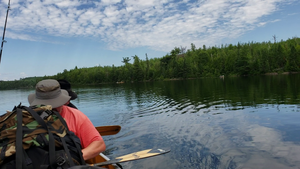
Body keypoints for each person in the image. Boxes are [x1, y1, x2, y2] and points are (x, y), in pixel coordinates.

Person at [28, 79, 105, 160]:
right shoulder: (26, 118)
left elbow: (99, 145)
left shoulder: (76, 116)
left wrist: (69, 160)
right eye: (45, 104)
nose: (49, 108)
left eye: (54, 104)